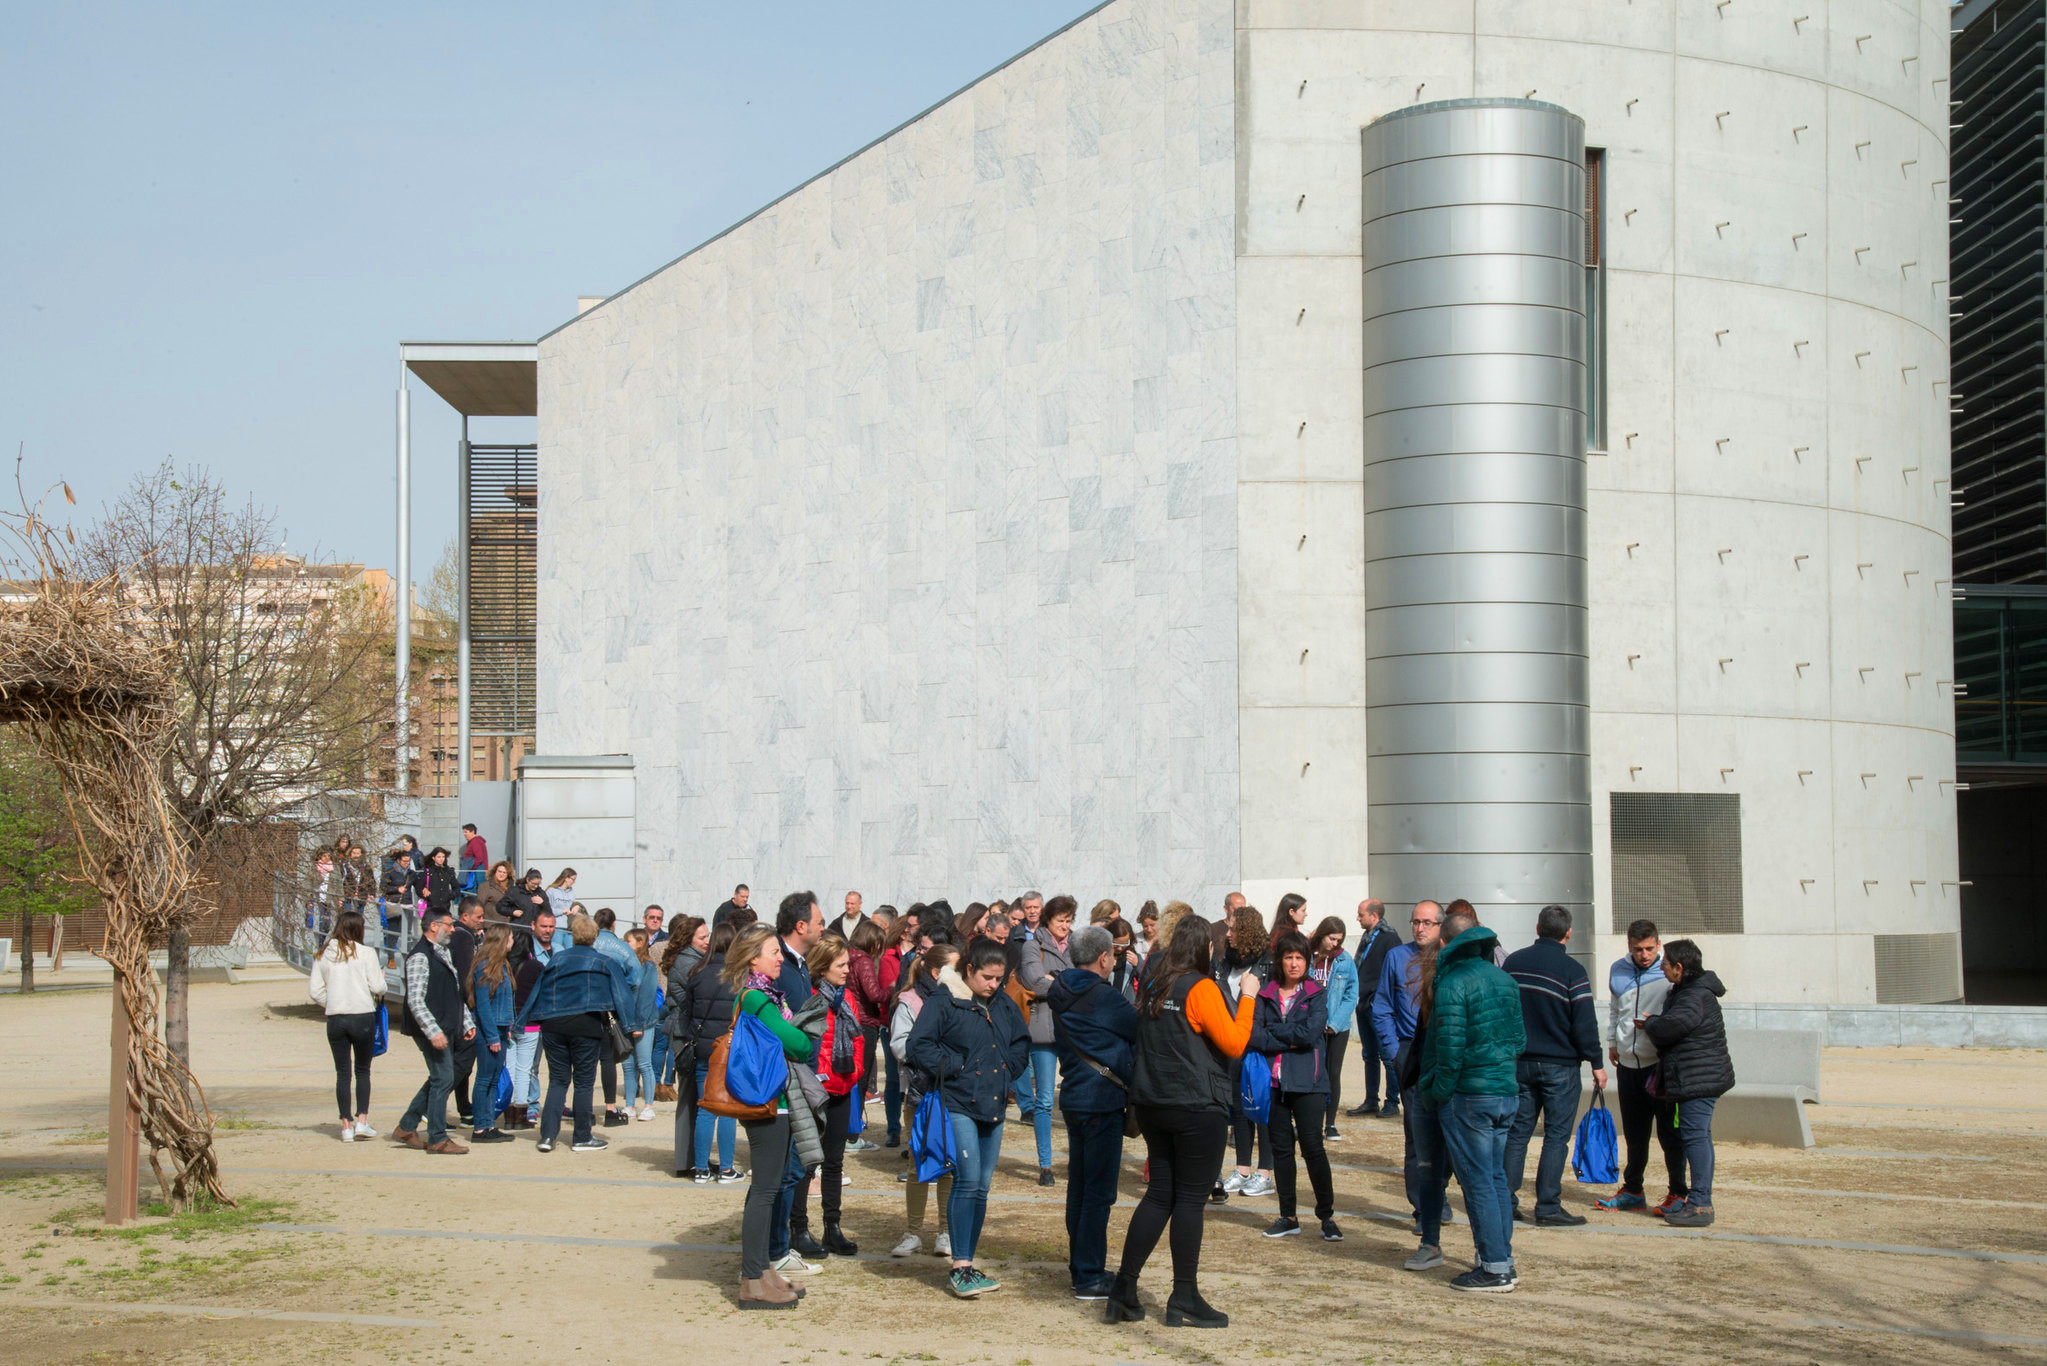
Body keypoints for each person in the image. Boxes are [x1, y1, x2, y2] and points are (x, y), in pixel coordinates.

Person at [1106, 914, 1256, 1329]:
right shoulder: (1200, 986)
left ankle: (1124, 1288)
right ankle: (1184, 1295)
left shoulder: (1156, 982)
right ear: (1206, 949)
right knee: (1189, 1200)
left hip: (1155, 1102)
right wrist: (1248, 998)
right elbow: (1234, 1042)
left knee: (1160, 1195)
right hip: (1194, 1105)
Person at [907, 938, 1030, 1299]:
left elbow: (1021, 1042)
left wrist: (1009, 1071)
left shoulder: (1003, 1004)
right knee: (968, 1179)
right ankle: (960, 1267)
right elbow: (918, 1045)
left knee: (982, 1186)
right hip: (957, 1101)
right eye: (988, 978)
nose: (994, 984)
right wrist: (955, 1068)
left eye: (1000, 978)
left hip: (993, 1105)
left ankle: (968, 1261)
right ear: (970, 971)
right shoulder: (944, 1000)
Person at [1416, 907, 1525, 1292]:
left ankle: (1494, 1266)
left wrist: (1438, 1093)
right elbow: (1518, 1041)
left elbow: (1449, 1049)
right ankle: (1500, 1259)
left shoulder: (1452, 982)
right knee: (1495, 1181)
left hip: (1469, 1095)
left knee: (1480, 1183)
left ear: (1445, 942)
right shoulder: (1503, 978)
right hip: (1504, 1091)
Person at [726, 924, 816, 1310]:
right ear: (752, 958)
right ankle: (751, 1280)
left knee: (768, 1187)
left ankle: (763, 1272)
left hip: (773, 1100)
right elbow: (797, 1041)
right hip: (766, 1102)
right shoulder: (756, 997)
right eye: (772, 952)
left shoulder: (765, 995)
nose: (781, 957)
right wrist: (802, 1037)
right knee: (764, 1190)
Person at [1046, 923, 1137, 1300]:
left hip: (1075, 1096)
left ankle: (1081, 1266)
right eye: (1113, 955)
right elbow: (1138, 1029)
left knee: (1080, 1189)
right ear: (1104, 958)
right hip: (1101, 1099)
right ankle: (1088, 1274)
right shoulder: (1104, 997)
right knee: (1098, 1192)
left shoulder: (1060, 989)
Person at [1502, 905, 1606, 1227]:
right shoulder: (1573, 970)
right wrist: (1597, 1063)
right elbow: (1584, 1023)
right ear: (1568, 933)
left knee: (1517, 1135)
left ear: (1537, 927)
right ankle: (1547, 1207)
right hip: (1560, 1066)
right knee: (1556, 1137)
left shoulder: (1513, 963)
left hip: (1519, 1061)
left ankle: (1505, 1202)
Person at [517, 912, 637, 1154]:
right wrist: (630, 1025)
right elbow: (622, 993)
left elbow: (538, 989)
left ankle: (547, 1137)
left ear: (572, 936)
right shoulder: (604, 961)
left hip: (553, 1024)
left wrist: (521, 1020)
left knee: (558, 1081)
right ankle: (582, 1136)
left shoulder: (556, 959)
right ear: (594, 937)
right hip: (586, 1024)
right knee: (583, 1083)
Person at [1250, 930, 1337, 1240]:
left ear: (1307, 960)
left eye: (1300, 957)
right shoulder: (1265, 992)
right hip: (1272, 1084)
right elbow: (1255, 1035)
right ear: (1280, 960)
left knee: (1313, 1148)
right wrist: (1286, 1035)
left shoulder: (1316, 992)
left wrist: (1277, 1034)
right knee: (1281, 1151)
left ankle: (1326, 1215)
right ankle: (1288, 1216)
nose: (1294, 963)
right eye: (1288, 957)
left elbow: (1311, 1034)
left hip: (1309, 1083)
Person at [1597, 919, 1685, 1215]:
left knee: (1669, 1135)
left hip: (1658, 1065)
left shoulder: (1669, 971)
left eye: (1649, 948)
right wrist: (1612, 1041)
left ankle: (1678, 1192)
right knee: (1635, 1133)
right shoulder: (1617, 969)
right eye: (1638, 949)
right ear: (1629, 947)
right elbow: (1615, 1008)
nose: (1644, 955)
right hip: (1627, 1064)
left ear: (1658, 945)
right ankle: (1633, 1189)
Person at [1643, 939, 1733, 1228]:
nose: (1661, 966)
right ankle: (1698, 1201)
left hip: (1699, 1079)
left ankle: (1700, 1205)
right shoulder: (1690, 990)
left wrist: (1651, 1024)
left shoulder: (1694, 995)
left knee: (1695, 1138)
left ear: (1679, 968)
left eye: (1665, 963)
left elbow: (1673, 1026)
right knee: (1698, 1137)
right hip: (1699, 1076)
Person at [1372, 900, 1450, 1232]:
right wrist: (1394, 1052)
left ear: (1441, 927)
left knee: (1447, 1132)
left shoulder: (1450, 960)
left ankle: (1439, 1193)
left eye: (1427, 923)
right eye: (1415, 922)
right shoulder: (1397, 957)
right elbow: (1381, 1006)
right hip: (1409, 1052)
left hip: (1445, 1055)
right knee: (1417, 1134)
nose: (1420, 928)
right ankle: (1422, 1207)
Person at [889, 941, 960, 1258]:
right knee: (919, 1165)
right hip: (920, 1092)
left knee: (948, 1165)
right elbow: (901, 1046)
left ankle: (945, 1233)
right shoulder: (910, 1000)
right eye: (956, 967)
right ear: (936, 971)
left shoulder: (963, 998)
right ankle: (913, 1232)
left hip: (953, 1093)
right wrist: (939, 1057)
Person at [768, 892, 825, 1269]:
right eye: (819, 921)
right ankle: (776, 1248)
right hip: (787, 1080)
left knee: (794, 1168)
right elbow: (789, 1026)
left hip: (801, 1076)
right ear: (801, 925)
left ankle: (782, 1242)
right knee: (785, 1171)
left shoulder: (800, 964)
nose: (824, 926)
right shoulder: (783, 967)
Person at [392, 908, 476, 1155]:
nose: (452, 929)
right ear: (433, 926)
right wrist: (433, 1032)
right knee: (444, 1078)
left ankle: (407, 1126)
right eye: (449, 925)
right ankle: (437, 1137)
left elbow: (453, 993)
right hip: (432, 1029)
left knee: (439, 1077)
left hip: (448, 1025)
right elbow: (416, 1000)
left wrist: (466, 1022)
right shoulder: (420, 956)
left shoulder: (442, 952)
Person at [805, 937, 868, 1256]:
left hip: (843, 1088)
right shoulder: (810, 997)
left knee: (834, 1162)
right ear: (823, 966)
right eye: (841, 965)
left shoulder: (849, 999)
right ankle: (798, 1229)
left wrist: (854, 1071)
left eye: (848, 964)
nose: (847, 970)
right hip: (814, 1090)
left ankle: (832, 1226)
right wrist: (818, 1076)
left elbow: (859, 1040)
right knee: (805, 1162)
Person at [1017, 894, 1079, 1186]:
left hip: (1073, 1028)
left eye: (1069, 920)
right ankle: (1045, 1165)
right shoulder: (1033, 945)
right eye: (1060, 920)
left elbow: (1088, 979)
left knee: (1076, 1097)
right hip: (1043, 1029)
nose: (1065, 926)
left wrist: (1057, 980)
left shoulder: (1077, 945)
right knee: (1043, 1099)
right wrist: (1066, 984)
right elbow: (1034, 981)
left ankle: (1078, 1158)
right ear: (1047, 920)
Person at [308, 908, 383, 1141]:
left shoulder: (323, 954)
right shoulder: (366, 953)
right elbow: (378, 988)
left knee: (342, 1073)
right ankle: (362, 1120)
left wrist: (331, 1002)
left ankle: (345, 1125)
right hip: (362, 1014)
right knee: (363, 1070)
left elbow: (315, 991)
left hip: (336, 1016)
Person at [679, 920, 743, 1183]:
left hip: (703, 1046)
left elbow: (687, 1011)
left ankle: (701, 1168)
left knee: (706, 1106)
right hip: (729, 1047)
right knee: (727, 1107)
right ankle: (727, 1168)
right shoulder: (739, 975)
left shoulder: (696, 971)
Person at [1219, 905, 1272, 1197]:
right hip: (1232, 1043)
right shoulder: (1225, 962)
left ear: (1247, 930)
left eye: (1233, 929)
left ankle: (1265, 1172)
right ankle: (1242, 1169)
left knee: (1261, 1107)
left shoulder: (1268, 962)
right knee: (1238, 1108)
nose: (1228, 934)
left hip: (1257, 1044)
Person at [1347, 899, 1402, 1118]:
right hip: (1363, 1003)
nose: (1358, 918)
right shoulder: (1367, 937)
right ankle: (1371, 1099)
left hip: (1378, 1005)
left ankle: (1392, 1101)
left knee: (1387, 1055)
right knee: (1369, 1054)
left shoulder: (1390, 938)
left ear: (1374, 916)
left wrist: (1378, 999)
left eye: (1361, 914)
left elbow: (1394, 973)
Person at [845, 918, 894, 1151]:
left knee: (852, 1077)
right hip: (865, 1021)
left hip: (852, 1019)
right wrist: (894, 988)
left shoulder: (848, 956)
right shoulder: (863, 961)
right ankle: (852, 1133)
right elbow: (873, 994)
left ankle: (851, 1128)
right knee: (860, 1078)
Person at [1307, 916, 1357, 1140]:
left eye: (1339, 940)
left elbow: (1351, 995)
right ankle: (1311, 1121)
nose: (1335, 944)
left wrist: (1335, 1023)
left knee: (1332, 1073)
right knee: (1312, 1073)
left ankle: (1331, 1123)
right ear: (1322, 935)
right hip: (1312, 1026)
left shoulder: (1345, 960)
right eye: (1331, 938)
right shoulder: (1309, 957)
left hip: (1337, 1027)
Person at [468, 925, 517, 1142]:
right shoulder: (485, 967)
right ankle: (480, 1127)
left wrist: (506, 1029)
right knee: (484, 1079)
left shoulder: (502, 965)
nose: (513, 941)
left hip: (500, 1028)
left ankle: (488, 1124)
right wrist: (491, 1036)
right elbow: (483, 1006)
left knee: (494, 1079)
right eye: (511, 937)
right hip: (490, 1030)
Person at [447, 896, 486, 1125]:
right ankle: (433, 1104)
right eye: (478, 917)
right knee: (462, 1061)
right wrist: (471, 1004)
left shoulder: (467, 935)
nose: (482, 920)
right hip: (463, 1008)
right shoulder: (462, 938)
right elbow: (464, 976)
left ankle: (464, 1108)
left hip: (460, 1006)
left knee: (463, 1063)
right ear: (465, 916)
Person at [879, 912, 917, 1147]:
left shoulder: (919, 955)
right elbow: (888, 991)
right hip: (893, 1021)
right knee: (893, 1079)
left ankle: (912, 1130)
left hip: (914, 1018)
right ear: (905, 931)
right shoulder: (889, 956)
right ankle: (893, 1128)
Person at [503, 918, 545, 1130]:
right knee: (525, 1070)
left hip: (508, 1024)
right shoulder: (536, 967)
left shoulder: (504, 966)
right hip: (530, 1024)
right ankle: (521, 1111)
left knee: (509, 1068)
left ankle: (509, 1113)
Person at [620, 928, 661, 1122]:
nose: (624, 944)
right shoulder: (624, 964)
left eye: (628, 941)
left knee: (644, 1063)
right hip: (626, 1022)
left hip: (644, 1022)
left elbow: (646, 997)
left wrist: (639, 1024)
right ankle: (629, 1105)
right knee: (628, 1066)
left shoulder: (649, 967)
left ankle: (648, 1105)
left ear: (639, 943)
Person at [1106, 918, 1140, 1002]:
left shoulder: (1133, 957)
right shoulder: (1101, 955)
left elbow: (1147, 980)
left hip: (1125, 1006)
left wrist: (1137, 965)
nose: (1120, 948)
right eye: (1115, 944)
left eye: (1124, 944)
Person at [422, 847, 460, 918]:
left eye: (443, 857)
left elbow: (456, 887)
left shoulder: (448, 872)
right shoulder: (428, 871)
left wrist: (451, 896)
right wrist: (425, 891)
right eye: (439, 857)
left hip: (445, 906)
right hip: (432, 906)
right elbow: (419, 886)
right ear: (433, 858)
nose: (441, 859)